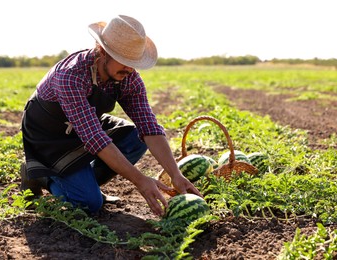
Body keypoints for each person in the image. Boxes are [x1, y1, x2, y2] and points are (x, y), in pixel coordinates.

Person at [20, 14, 201, 216]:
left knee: (134, 138)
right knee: (89, 204)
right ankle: (39, 174)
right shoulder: (71, 75)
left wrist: (175, 174)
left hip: (85, 125)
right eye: (123, 60)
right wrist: (141, 180)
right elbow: (95, 138)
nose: (129, 68)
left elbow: (149, 127)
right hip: (49, 133)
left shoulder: (129, 78)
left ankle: (82, 182)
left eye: (133, 62)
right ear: (102, 51)